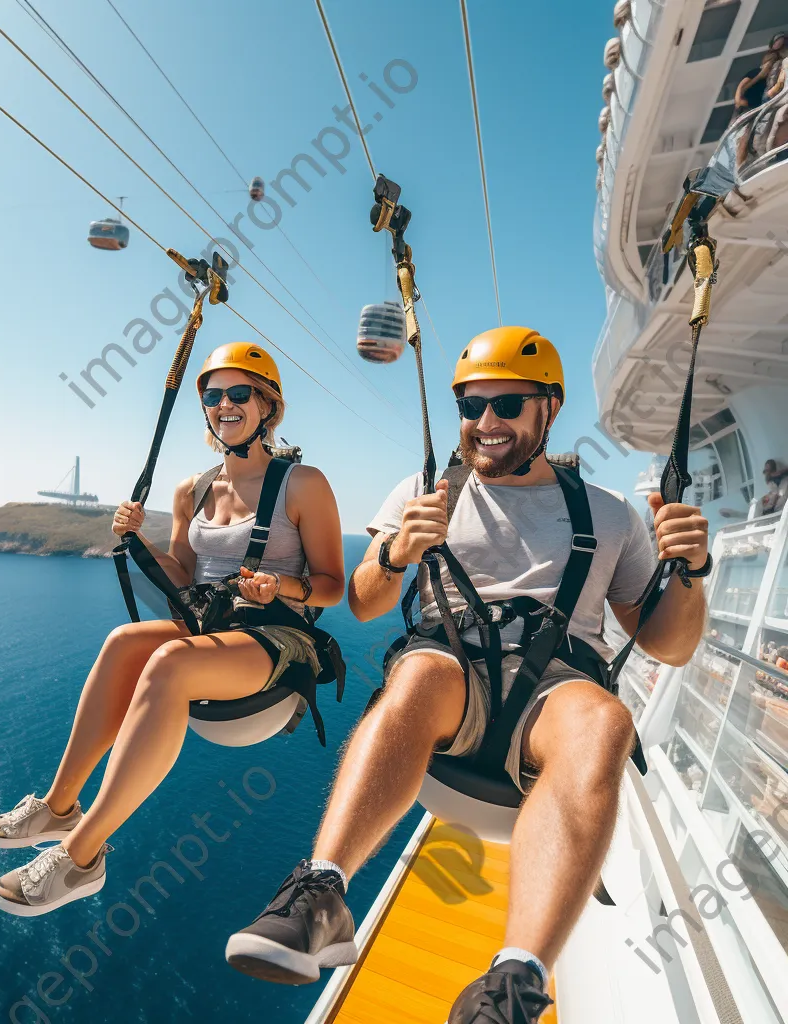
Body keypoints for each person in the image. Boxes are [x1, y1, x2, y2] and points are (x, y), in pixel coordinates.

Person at [226, 327, 711, 1023]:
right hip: (450, 678)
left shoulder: (609, 514)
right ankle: (323, 893)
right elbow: (364, 602)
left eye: (507, 405)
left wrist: (689, 575)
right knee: (419, 676)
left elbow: (668, 644)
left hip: (555, 694)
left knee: (607, 720)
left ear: (549, 409)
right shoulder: (426, 492)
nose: (485, 423)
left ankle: (515, 981)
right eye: (470, 405)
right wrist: (394, 553)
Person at [0, 342, 345, 916]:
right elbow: (181, 576)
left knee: (169, 664)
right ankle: (59, 804)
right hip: (212, 623)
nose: (225, 405)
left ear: (267, 405)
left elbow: (330, 585)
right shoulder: (191, 490)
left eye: (239, 393)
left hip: (279, 637)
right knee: (123, 642)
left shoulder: (303, 484)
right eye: (213, 395)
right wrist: (137, 541)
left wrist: (280, 587)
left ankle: (81, 857)